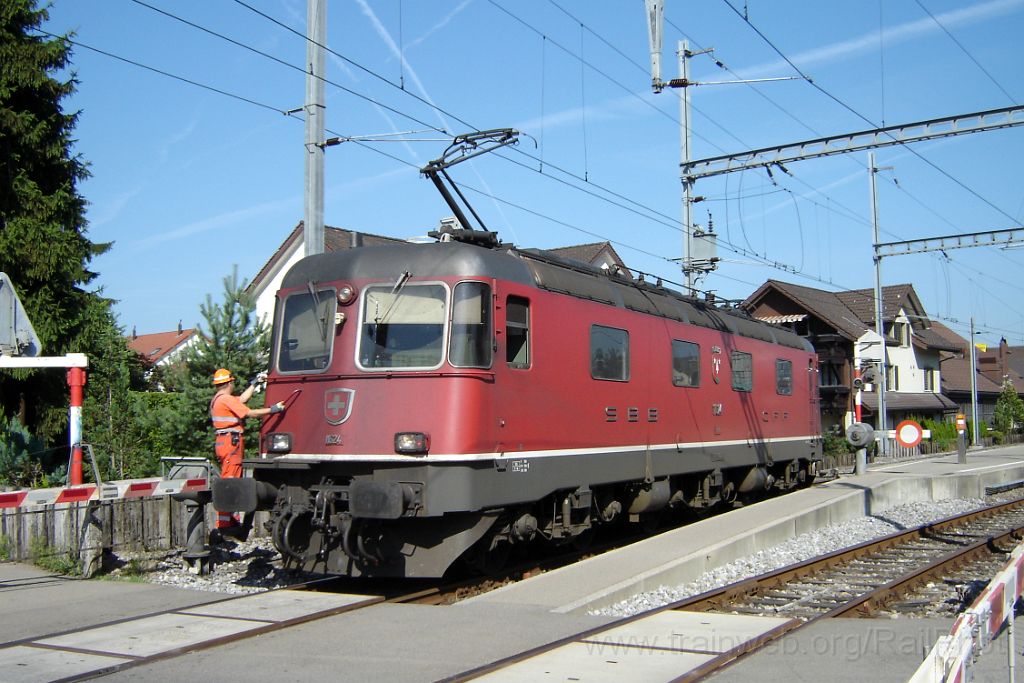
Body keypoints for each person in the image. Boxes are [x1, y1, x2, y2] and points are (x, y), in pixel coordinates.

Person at [209, 368, 285, 540]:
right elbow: (248, 412)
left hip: (226, 442)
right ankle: (225, 524)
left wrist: (254, 384)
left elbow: (241, 400)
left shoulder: (220, 399)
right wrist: (273, 410)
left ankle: (229, 521)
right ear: (229, 383)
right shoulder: (226, 399)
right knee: (230, 482)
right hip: (231, 442)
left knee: (231, 479)